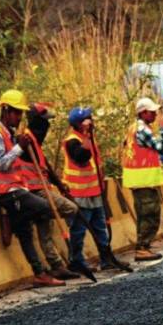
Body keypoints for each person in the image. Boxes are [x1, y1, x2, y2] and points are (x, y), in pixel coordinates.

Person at [0, 90, 64, 287]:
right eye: (16, 113)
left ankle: (40, 273)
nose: (19, 117)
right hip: (5, 192)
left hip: (16, 189)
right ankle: (11, 215)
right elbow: (1, 164)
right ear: (6, 110)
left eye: (21, 113)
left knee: (25, 233)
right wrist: (19, 148)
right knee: (44, 207)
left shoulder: (9, 134)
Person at [19, 103, 80, 280]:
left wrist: (60, 185)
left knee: (45, 229)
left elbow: (46, 166)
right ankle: (60, 259)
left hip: (43, 188)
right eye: (45, 122)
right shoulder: (25, 140)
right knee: (71, 209)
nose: (48, 126)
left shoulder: (35, 142)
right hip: (34, 190)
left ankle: (56, 265)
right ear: (37, 121)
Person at [62, 106, 116, 273]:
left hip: (94, 191)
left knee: (100, 227)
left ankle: (106, 257)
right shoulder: (73, 140)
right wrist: (86, 135)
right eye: (87, 119)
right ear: (79, 123)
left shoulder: (89, 139)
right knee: (79, 230)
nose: (91, 122)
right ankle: (76, 260)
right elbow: (82, 158)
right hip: (79, 194)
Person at [122, 97, 163, 261]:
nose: (155, 114)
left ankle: (144, 246)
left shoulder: (133, 129)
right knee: (149, 213)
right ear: (143, 113)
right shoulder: (143, 130)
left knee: (146, 213)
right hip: (143, 180)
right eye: (152, 112)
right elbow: (161, 148)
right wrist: (162, 130)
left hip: (141, 180)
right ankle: (142, 247)